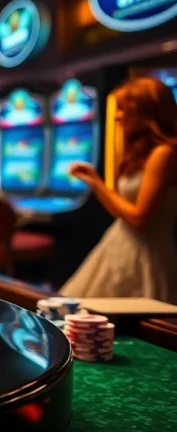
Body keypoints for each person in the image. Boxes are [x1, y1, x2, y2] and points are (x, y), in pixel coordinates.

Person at [60, 77, 177, 303]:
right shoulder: (141, 153)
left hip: (147, 256)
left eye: (125, 110)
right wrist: (94, 181)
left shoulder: (164, 154)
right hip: (120, 246)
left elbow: (139, 219)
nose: (117, 116)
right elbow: (122, 213)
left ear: (147, 112)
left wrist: (98, 184)